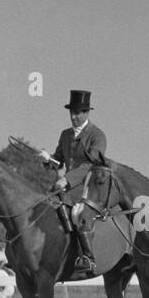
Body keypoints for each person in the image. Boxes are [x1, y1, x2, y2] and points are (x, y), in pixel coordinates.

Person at [39, 90, 105, 278]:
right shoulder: (65, 134)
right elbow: (59, 161)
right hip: (67, 186)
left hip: (89, 186)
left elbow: (90, 164)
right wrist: (47, 159)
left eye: (78, 113)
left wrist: (66, 179)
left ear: (86, 113)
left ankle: (87, 257)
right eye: (72, 113)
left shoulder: (97, 135)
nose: (74, 117)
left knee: (77, 213)